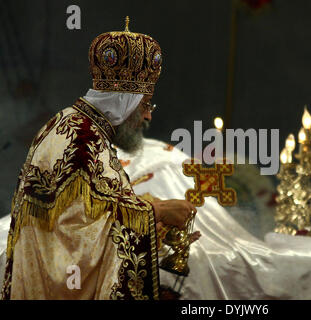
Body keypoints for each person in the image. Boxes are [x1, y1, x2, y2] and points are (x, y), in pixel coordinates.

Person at [0, 17, 198, 300]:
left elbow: (97, 211)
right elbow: (68, 237)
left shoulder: (84, 129)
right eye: (145, 104)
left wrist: (158, 227)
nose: (148, 116)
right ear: (124, 99)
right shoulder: (79, 138)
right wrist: (156, 213)